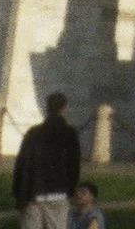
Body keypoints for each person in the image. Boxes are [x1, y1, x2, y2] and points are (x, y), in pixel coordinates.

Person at [11, 93, 82, 229]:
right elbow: (73, 166)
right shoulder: (69, 133)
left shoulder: (33, 133)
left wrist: (19, 194)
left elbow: (22, 164)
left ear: (47, 108)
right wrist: (71, 189)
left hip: (34, 194)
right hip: (59, 193)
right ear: (64, 108)